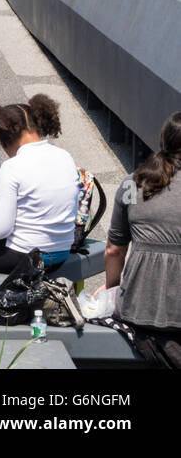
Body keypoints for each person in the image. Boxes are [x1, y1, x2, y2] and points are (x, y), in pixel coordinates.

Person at [105, 112, 181, 368]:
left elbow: (115, 250)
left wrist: (112, 289)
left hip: (137, 311)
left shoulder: (132, 183)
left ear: (163, 141)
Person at [0, 95, 79, 273]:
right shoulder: (65, 156)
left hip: (26, 256)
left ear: (5, 139)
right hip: (61, 253)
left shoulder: (12, 167)